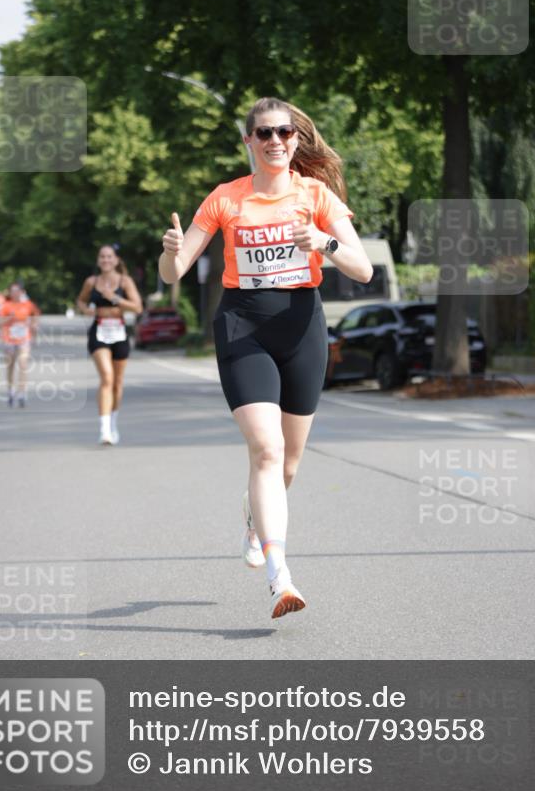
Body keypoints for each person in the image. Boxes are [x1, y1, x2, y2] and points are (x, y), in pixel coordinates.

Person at [159, 97, 372, 619]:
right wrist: (169, 250)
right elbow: (174, 272)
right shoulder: (226, 199)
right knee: (267, 450)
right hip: (243, 326)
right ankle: (281, 577)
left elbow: (363, 269)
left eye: (283, 132)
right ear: (248, 142)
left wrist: (322, 241)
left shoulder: (316, 195)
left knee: (289, 464)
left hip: (301, 327)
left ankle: (255, 518)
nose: (275, 141)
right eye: (264, 133)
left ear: (296, 140)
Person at [76, 246, 143, 445]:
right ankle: (104, 430)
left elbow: (138, 307)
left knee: (117, 382)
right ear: (98, 261)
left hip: (119, 332)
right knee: (107, 377)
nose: (105, 260)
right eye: (102, 257)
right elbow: (80, 301)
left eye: (109, 257)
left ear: (116, 260)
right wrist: (86, 310)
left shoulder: (125, 281)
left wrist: (114, 298)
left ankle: (113, 422)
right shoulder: (91, 282)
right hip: (99, 331)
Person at [0, 282, 40, 407]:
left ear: (21, 292)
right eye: (12, 291)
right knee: (10, 366)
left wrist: (34, 326)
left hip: (24, 339)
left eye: (17, 290)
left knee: (23, 364)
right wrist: (9, 318)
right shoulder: (5, 306)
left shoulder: (28, 305)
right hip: (9, 339)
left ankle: (22, 392)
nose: (14, 293)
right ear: (9, 293)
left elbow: (35, 316)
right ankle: (10, 390)